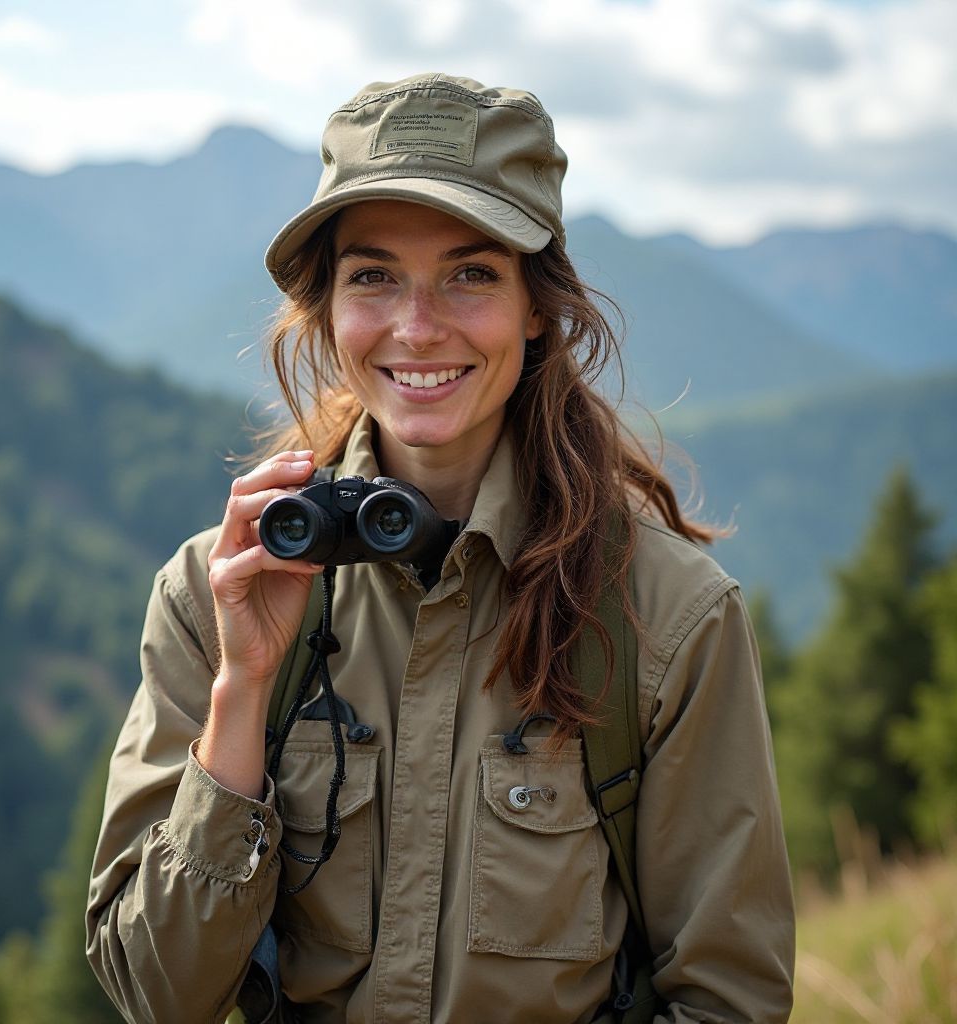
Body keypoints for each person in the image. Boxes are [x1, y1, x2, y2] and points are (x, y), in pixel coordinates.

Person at [86, 73, 795, 1024]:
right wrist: (243, 693)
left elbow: (728, 1000)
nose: (418, 328)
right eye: (372, 275)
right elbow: (154, 997)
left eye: (471, 274)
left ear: (538, 305)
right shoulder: (215, 592)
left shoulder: (665, 619)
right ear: (327, 312)